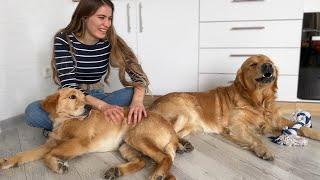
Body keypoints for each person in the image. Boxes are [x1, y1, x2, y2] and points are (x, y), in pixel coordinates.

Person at [25, 0, 150, 134]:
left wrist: (137, 102)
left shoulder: (111, 39)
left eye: (110, 19)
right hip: (72, 101)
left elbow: (138, 75)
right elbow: (69, 85)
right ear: (84, 17)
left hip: (98, 97)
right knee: (32, 112)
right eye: (101, 17)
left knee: (132, 94)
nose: (107, 24)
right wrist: (104, 107)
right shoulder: (63, 39)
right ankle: (94, 127)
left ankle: (70, 129)